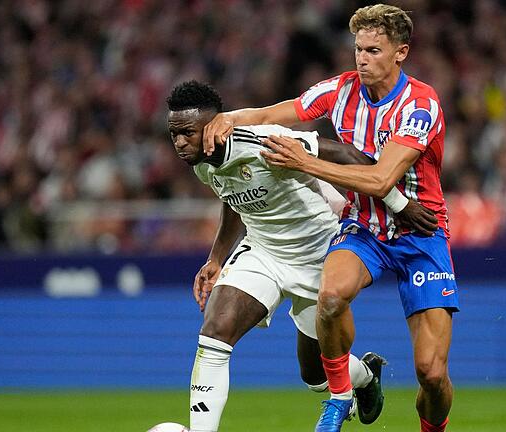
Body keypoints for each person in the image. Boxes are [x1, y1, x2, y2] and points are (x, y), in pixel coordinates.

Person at [201, 4, 459, 432]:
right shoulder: (340, 90)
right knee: (331, 296)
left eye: (374, 50)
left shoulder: (421, 103)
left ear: (401, 52)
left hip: (420, 233)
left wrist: (306, 161)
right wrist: (226, 118)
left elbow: (379, 179)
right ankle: (340, 399)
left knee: (431, 374)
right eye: (358, 48)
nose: (362, 58)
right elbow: (271, 114)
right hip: (364, 228)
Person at [166, 80, 439, 432]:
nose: (179, 143)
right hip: (263, 251)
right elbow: (232, 195)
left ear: (214, 124)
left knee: (315, 375)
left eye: (187, 133)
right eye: (173, 134)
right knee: (215, 331)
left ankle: (365, 376)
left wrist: (398, 205)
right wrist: (217, 258)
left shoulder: (264, 141)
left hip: (318, 252)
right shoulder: (201, 161)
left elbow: (349, 156)